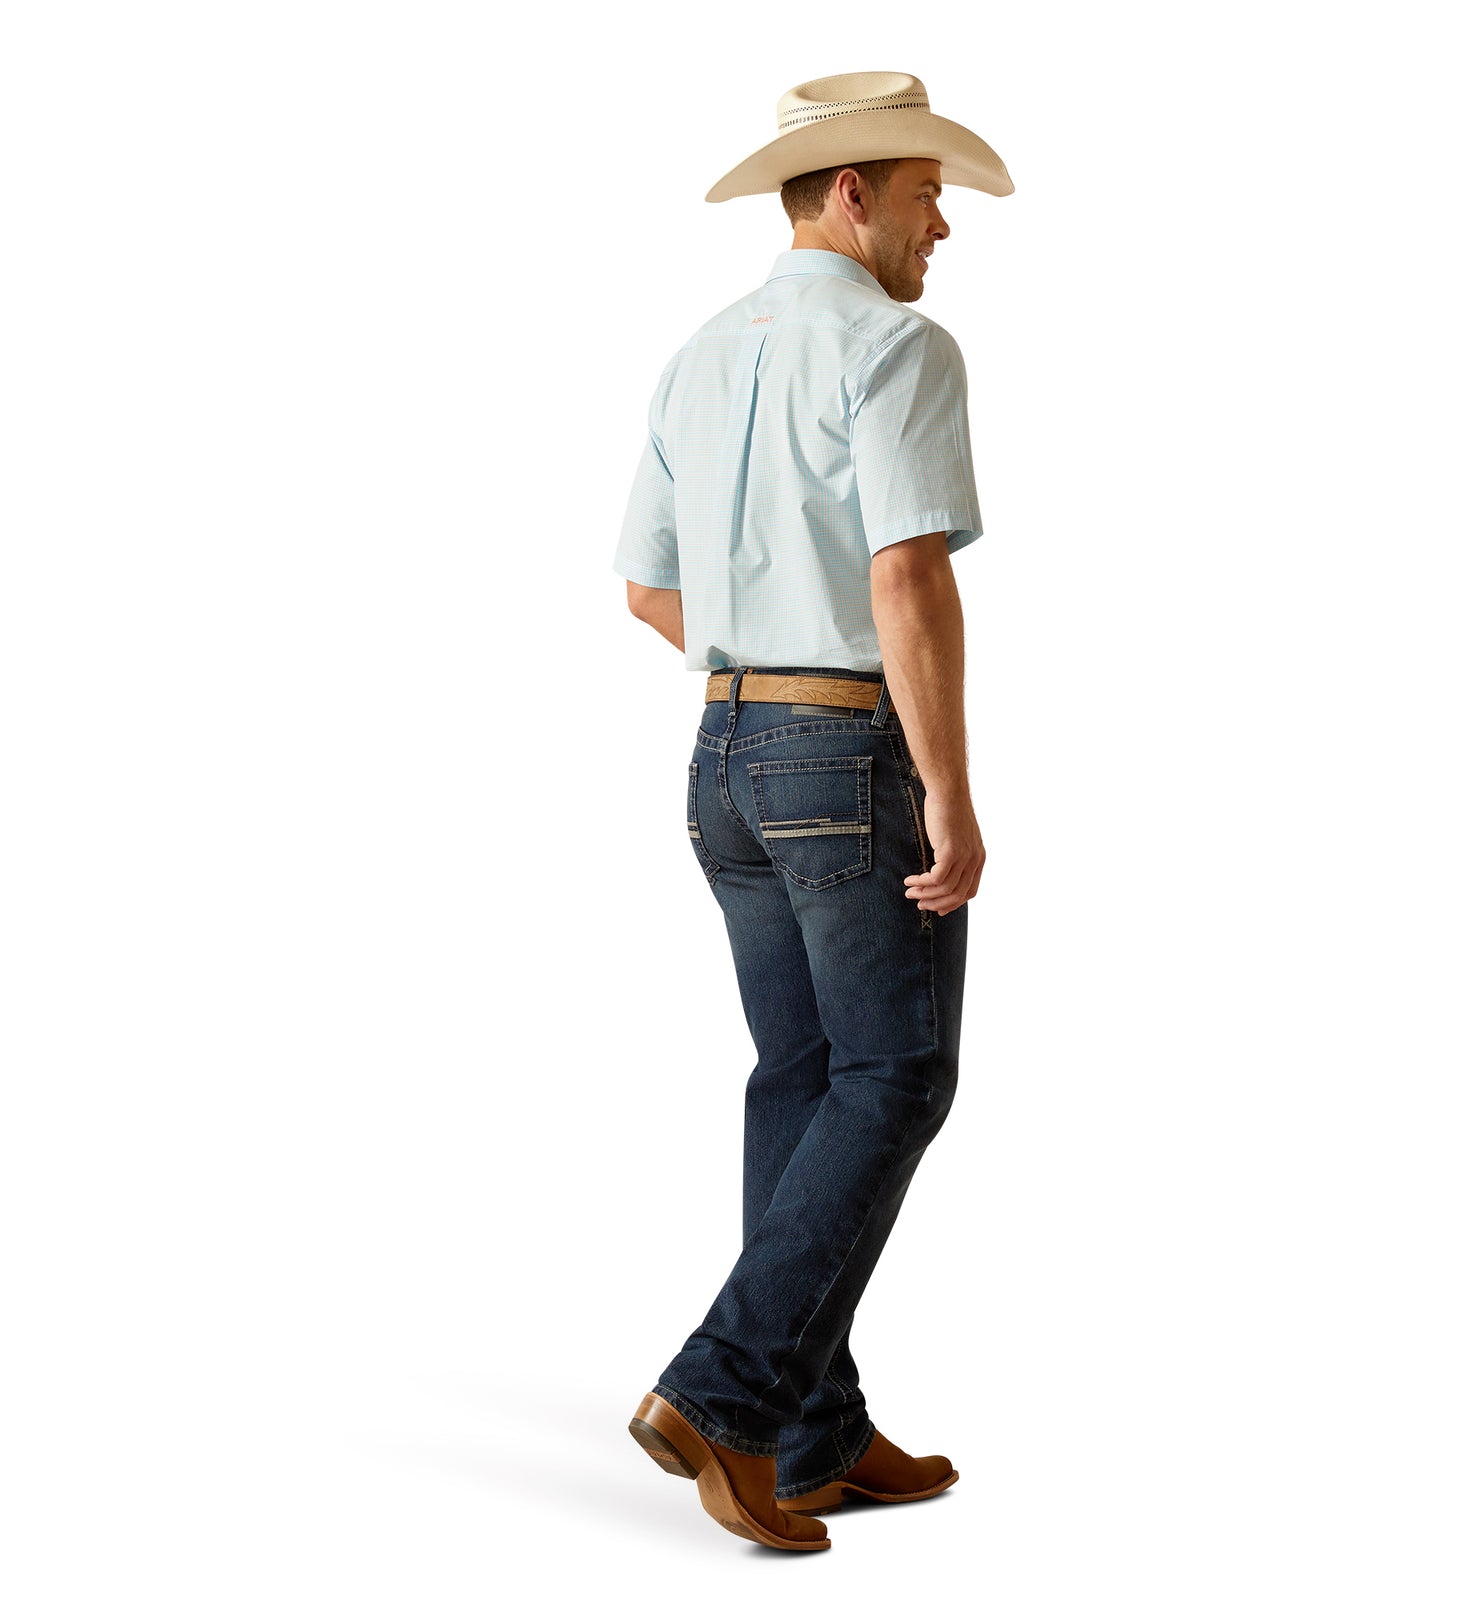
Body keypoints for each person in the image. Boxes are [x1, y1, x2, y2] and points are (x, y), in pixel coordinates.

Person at [612, 70, 1013, 1552]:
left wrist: (754, 675)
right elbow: (909, 576)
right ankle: (722, 1395)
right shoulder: (901, 347)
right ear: (852, 193)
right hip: (844, 758)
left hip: (723, 758)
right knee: (897, 1078)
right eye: (926, 197)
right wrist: (952, 794)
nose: (941, 230)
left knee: (804, 1077)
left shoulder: (702, 355)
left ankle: (813, 1429)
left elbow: (652, 591)